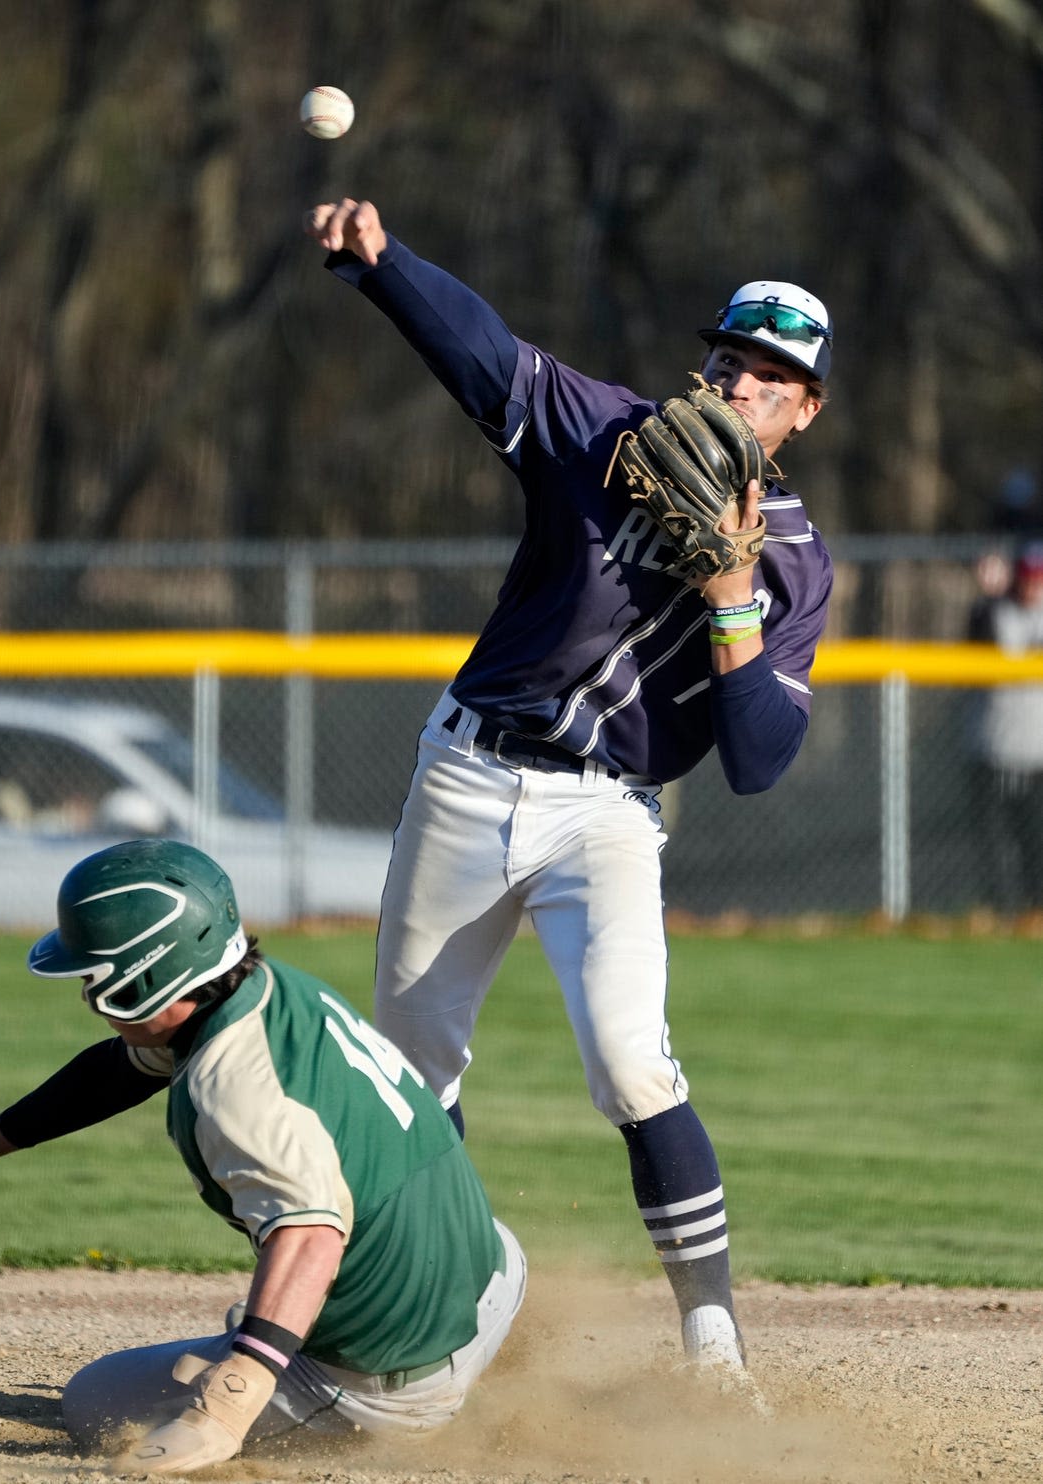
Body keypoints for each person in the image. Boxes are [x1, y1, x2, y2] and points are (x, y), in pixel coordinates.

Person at [303, 199, 834, 1385]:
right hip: (470, 767)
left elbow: (756, 762)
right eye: (729, 360)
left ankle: (713, 1351)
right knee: (410, 1066)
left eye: (771, 377)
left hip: (606, 813)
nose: (741, 385)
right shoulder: (604, 435)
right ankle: (432, 1317)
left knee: (632, 1064)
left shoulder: (794, 563)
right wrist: (384, 269)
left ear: (804, 412)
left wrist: (731, 591)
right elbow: (484, 353)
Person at [0, 838, 526, 1476]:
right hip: (492, 1280)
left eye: (97, 973)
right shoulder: (263, 992)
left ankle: (390, 1407)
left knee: (95, 1398)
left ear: (145, 976)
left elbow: (310, 1235)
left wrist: (230, 1402)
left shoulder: (235, 1086)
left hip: (387, 1382)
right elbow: (120, 1071)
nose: (88, 991)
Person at [968, 543, 1043, 913]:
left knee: (1035, 839)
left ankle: (1034, 911)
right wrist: (987, 595)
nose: (1033, 587)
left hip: (1038, 754)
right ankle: (1000, 911)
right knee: (994, 840)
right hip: (995, 748)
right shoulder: (995, 612)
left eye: (1039, 580)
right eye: (1028, 579)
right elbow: (974, 637)